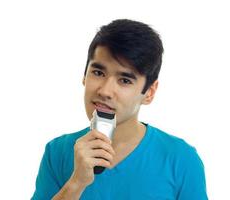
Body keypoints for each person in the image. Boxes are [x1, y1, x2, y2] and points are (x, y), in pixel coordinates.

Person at [31, 19, 208, 200]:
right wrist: (76, 183)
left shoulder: (181, 159)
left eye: (125, 80)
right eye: (98, 73)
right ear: (84, 75)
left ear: (149, 92)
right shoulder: (57, 152)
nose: (105, 91)